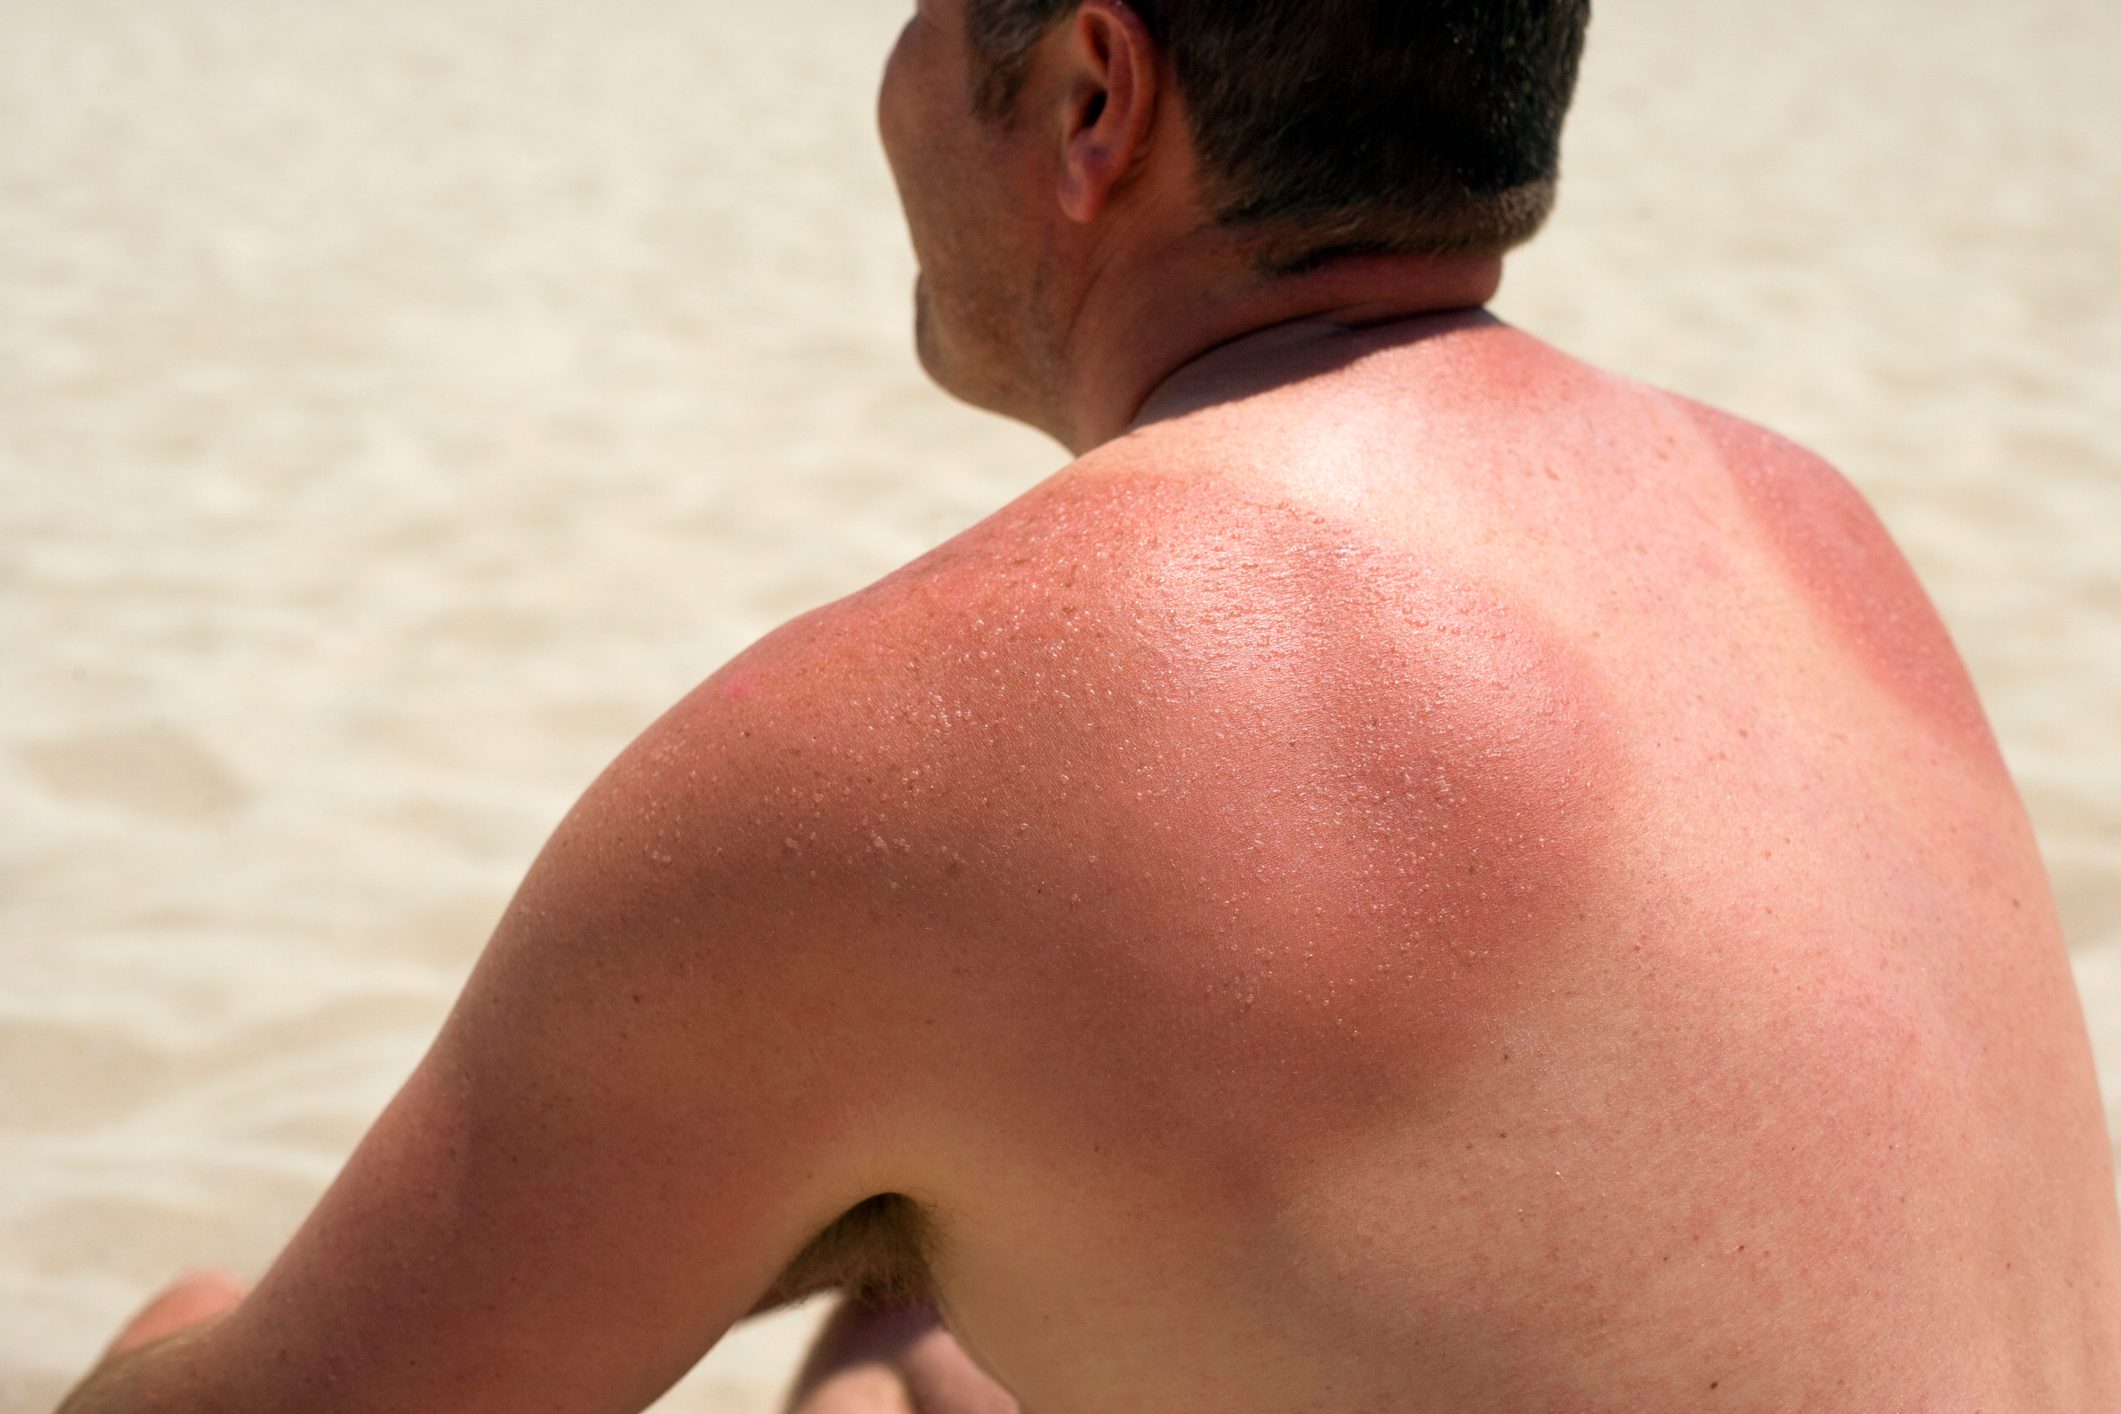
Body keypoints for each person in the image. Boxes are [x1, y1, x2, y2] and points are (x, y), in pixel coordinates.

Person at [57, 0, 2121, 1408]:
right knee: (919, 1341)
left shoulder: (946, 741)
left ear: (1089, 98)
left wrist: (168, 1337)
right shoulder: (1809, 535)